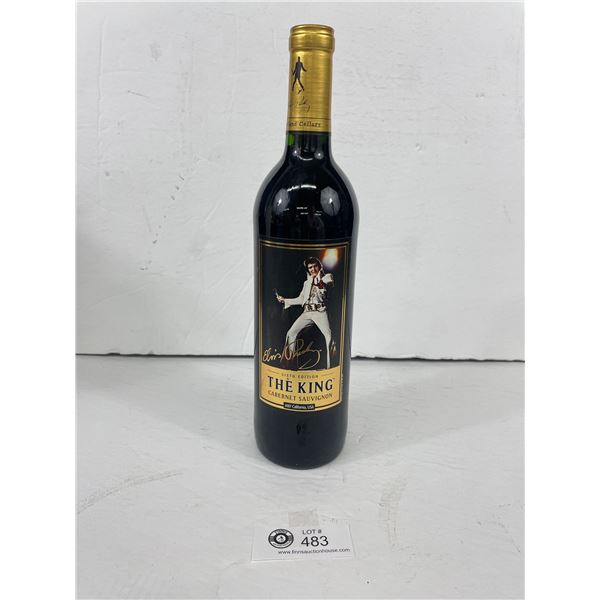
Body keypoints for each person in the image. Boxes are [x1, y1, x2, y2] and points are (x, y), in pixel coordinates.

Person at [276, 257, 335, 369]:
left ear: (319, 266)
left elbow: (326, 289)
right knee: (291, 333)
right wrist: (285, 300)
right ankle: (288, 365)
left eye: (315, 266)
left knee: (329, 337)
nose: (313, 269)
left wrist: (319, 282)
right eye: (310, 267)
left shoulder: (327, 277)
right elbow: (301, 299)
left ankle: (331, 368)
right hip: (307, 312)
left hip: (320, 312)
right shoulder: (306, 283)